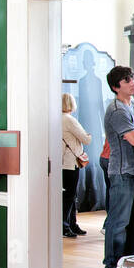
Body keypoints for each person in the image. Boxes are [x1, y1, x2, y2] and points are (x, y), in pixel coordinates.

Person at [102, 66, 134, 268]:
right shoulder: (116, 111)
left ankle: (131, 262)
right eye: (126, 80)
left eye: (132, 78)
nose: (132, 82)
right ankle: (112, 265)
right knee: (119, 221)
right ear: (116, 87)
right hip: (122, 172)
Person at [61, 93, 91, 239]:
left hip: (60, 163)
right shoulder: (69, 120)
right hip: (70, 162)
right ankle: (66, 226)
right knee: (70, 196)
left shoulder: (55, 119)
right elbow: (86, 139)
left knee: (67, 195)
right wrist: (89, 135)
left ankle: (71, 224)